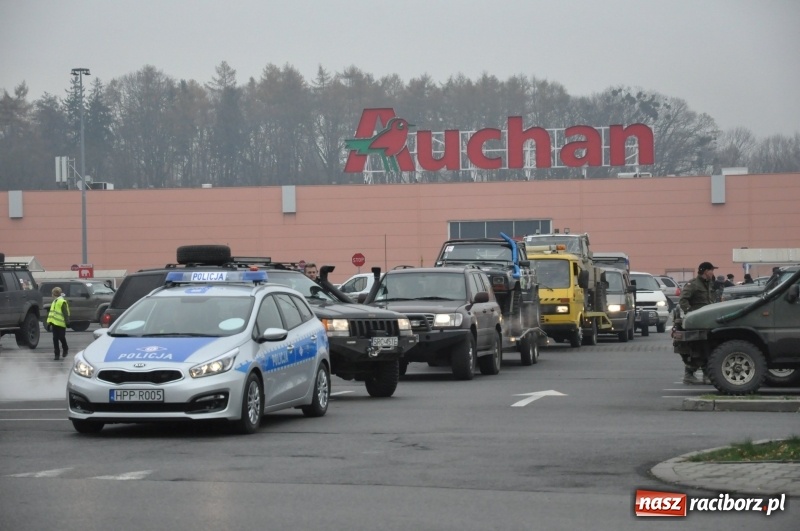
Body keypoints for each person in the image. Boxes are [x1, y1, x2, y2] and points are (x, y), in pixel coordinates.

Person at [677, 261, 717, 384]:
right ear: (706, 271)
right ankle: (689, 374)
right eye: (711, 270)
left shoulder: (709, 284)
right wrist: (690, 313)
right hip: (697, 321)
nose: (713, 273)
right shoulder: (693, 284)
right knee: (697, 348)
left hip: (708, 321)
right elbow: (683, 300)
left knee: (707, 347)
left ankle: (706, 374)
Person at [46, 286, 70, 360]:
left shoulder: (61, 302)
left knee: (61, 337)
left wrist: (67, 322)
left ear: (55, 294)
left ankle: (65, 348)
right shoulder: (54, 302)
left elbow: (65, 313)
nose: (52, 295)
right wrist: (49, 323)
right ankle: (57, 354)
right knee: (55, 339)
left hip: (61, 324)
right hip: (54, 324)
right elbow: (52, 314)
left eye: (52, 293)